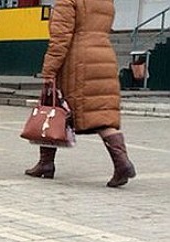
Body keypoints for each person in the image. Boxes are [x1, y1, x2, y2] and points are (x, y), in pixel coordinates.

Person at [26, 0, 136, 188]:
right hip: (103, 56)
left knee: (53, 107)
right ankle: (122, 162)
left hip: (78, 60)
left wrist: (49, 70)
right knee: (102, 114)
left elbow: (60, 37)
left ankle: (46, 163)